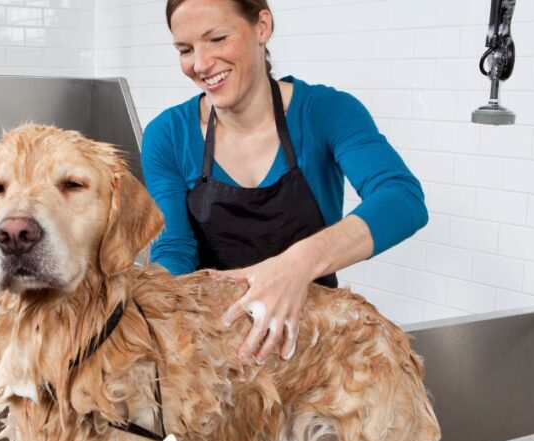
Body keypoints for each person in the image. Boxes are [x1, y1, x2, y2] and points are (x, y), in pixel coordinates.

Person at [141, 0, 428, 364]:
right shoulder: (167, 135)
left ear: (262, 27)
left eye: (217, 39)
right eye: (185, 49)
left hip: (314, 349)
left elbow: (401, 199)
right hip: (213, 348)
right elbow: (174, 251)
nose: (199, 64)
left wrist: (294, 266)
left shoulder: (326, 112)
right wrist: (150, 311)